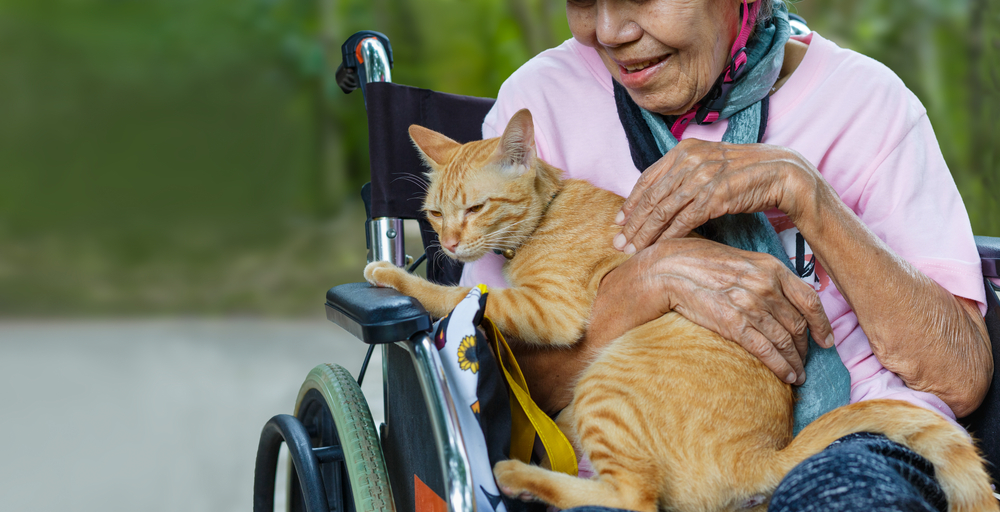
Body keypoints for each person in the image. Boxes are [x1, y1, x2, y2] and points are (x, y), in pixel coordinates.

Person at [459, 0, 995, 510]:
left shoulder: (867, 100)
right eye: (581, 1)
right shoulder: (538, 104)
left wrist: (804, 191)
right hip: (623, 467)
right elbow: (492, 395)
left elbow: (962, 378)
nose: (608, 31)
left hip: (850, 436)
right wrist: (648, 281)